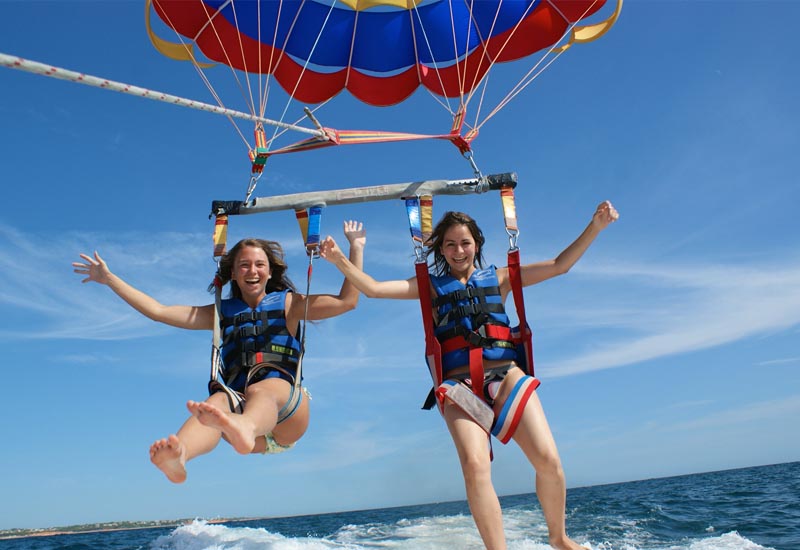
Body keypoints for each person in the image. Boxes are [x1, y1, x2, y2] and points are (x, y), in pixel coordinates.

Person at [319, 202, 618, 550]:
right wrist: (342, 258)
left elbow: (559, 265)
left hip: (506, 376)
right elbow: (372, 288)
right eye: (449, 244)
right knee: (475, 467)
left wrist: (595, 226)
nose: (458, 251)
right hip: (459, 387)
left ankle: (558, 538)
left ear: (476, 243)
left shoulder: (502, 277)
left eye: (464, 243)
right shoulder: (429, 286)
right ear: (440, 249)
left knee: (548, 461)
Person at [72, 221, 366, 484]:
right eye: (244, 265)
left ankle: (245, 427)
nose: (253, 270)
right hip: (239, 417)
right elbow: (158, 311)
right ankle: (181, 456)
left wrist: (355, 248)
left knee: (264, 389)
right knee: (214, 403)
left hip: (287, 414)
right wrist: (110, 279)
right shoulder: (220, 313)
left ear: (270, 271)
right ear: (233, 274)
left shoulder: (289, 304)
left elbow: (347, 301)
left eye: (259, 264)